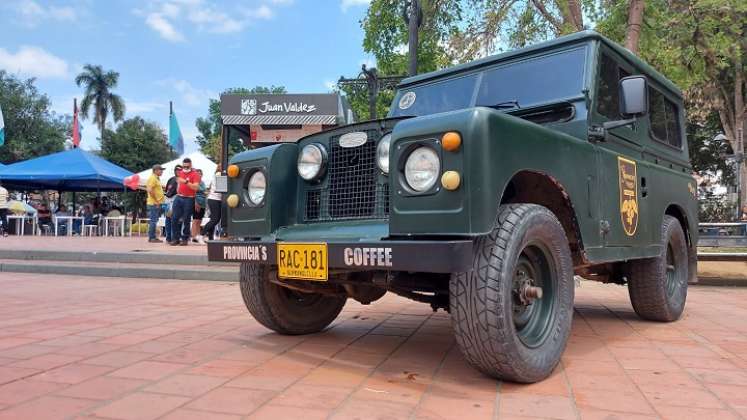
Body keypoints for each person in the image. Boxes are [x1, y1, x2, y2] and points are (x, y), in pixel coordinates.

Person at [170, 158, 201, 246]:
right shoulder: (180, 173)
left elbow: (195, 187)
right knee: (174, 218)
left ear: (191, 165)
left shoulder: (195, 174)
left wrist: (186, 182)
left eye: (187, 166)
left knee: (186, 219)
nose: (185, 168)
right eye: (184, 166)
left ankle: (185, 239)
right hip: (179, 197)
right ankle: (176, 238)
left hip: (189, 198)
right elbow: (178, 184)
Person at [201, 165, 223, 242]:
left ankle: (210, 237)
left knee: (213, 219)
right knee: (215, 219)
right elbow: (222, 188)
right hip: (215, 199)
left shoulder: (216, 175)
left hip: (214, 199)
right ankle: (201, 234)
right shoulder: (219, 175)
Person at [146, 164, 167, 243]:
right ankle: (152, 237)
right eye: (160, 170)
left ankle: (152, 237)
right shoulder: (153, 178)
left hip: (155, 203)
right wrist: (157, 201)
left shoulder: (156, 178)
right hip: (154, 203)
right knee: (153, 221)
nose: (162, 171)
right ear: (155, 171)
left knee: (154, 220)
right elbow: (150, 190)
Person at [163, 164, 182, 243]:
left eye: (180, 170)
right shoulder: (171, 179)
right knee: (168, 219)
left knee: (177, 219)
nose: (178, 171)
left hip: (177, 200)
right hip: (169, 200)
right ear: (175, 171)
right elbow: (167, 190)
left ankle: (175, 237)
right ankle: (169, 237)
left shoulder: (182, 180)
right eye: (177, 170)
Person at [191, 169, 207, 244]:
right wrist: (195, 203)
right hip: (197, 201)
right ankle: (194, 237)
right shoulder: (194, 182)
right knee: (195, 220)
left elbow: (204, 191)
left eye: (200, 173)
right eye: (197, 174)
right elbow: (193, 193)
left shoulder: (203, 182)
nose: (199, 175)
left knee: (199, 220)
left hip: (203, 203)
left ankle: (197, 236)